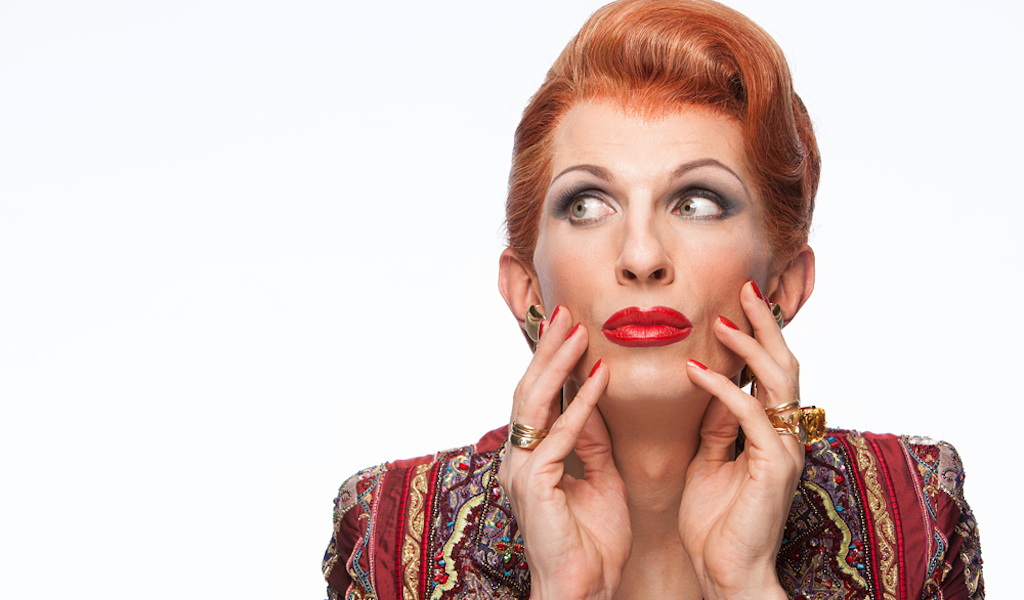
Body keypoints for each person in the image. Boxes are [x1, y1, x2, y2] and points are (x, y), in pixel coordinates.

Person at [322, 1, 983, 598]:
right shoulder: (387, 538)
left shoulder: (917, 513)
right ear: (526, 288)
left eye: (697, 203)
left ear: (784, 285)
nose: (641, 256)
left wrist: (747, 584)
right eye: (588, 205)